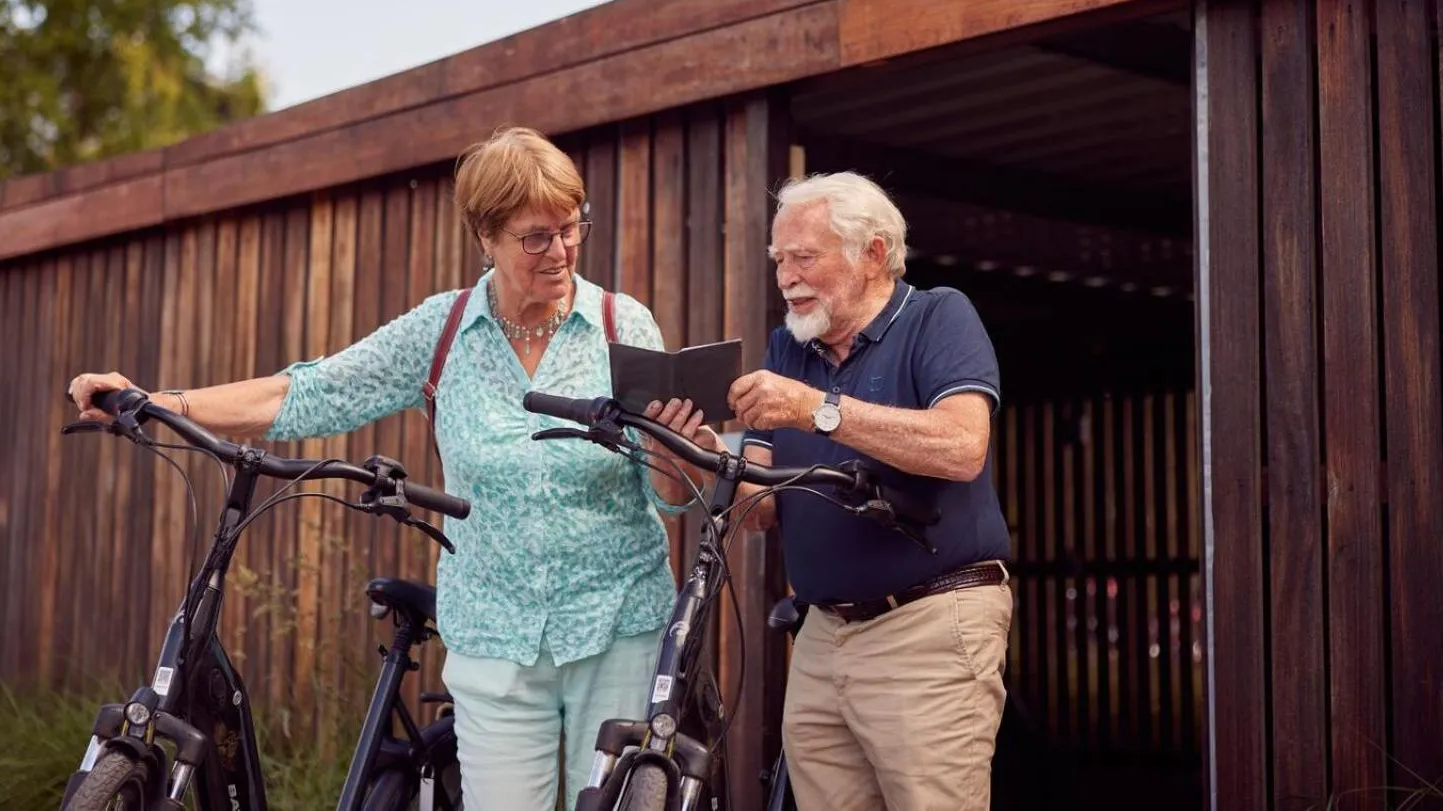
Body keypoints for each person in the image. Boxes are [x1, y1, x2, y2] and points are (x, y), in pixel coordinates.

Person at [67, 126, 704, 811]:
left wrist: (672, 456)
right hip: (493, 633)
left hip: (617, 624)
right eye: (536, 237)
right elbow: (310, 389)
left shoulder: (619, 324)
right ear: (485, 238)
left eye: (571, 227)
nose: (562, 251)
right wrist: (157, 400)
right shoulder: (445, 330)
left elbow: (667, 498)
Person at [730, 171, 1011, 811]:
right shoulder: (787, 347)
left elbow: (963, 447)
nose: (785, 276)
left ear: (874, 254)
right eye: (779, 260)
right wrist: (681, 443)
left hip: (929, 625)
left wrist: (818, 410)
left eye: (805, 256)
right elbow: (760, 509)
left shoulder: (939, 315)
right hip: (823, 635)